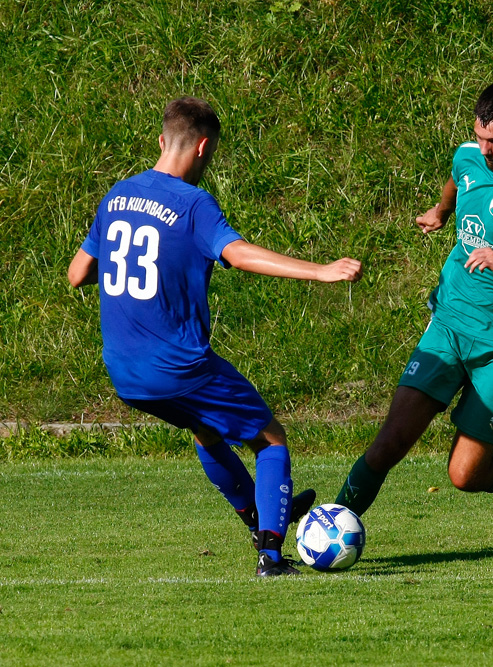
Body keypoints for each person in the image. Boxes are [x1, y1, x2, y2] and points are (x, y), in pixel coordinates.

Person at [67, 97, 363, 577]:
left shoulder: (117, 195)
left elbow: (77, 273)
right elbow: (239, 254)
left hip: (124, 371)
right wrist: (321, 271)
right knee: (270, 440)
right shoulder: (193, 203)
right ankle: (270, 554)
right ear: (204, 147)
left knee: (206, 430)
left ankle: (261, 515)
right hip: (178, 366)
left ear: (163, 140)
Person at [333, 81, 493, 542]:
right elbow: (458, 178)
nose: (486, 150)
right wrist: (442, 211)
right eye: (481, 137)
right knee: (390, 442)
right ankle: (328, 522)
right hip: (449, 322)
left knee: (465, 475)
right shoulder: (469, 155)